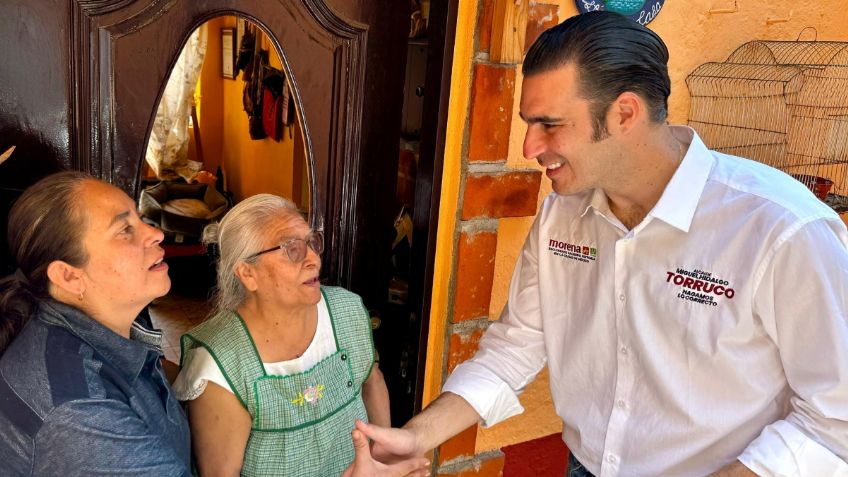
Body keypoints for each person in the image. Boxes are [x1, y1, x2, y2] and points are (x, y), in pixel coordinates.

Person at [356, 11, 848, 477]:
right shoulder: (561, 214)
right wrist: (418, 437)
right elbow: (515, 348)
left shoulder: (783, 230)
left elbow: (834, 421)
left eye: (549, 124)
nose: (529, 148)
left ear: (624, 113)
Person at [173, 193, 427, 477]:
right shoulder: (220, 363)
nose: (313, 259)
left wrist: (385, 458)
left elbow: (371, 380)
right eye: (290, 249)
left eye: (312, 243)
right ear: (247, 274)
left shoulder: (346, 310)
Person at [0, 171, 191, 476]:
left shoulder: (101, 329)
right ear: (69, 276)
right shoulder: (80, 411)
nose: (155, 234)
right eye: (125, 229)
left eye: (140, 219)